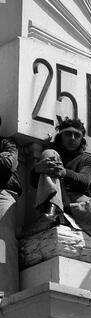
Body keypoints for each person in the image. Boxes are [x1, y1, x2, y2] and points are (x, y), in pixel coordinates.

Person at [31, 117, 91, 236]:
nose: (72, 138)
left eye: (77, 135)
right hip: (59, 196)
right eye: (68, 134)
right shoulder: (53, 154)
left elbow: (84, 180)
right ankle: (55, 209)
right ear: (60, 137)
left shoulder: (89, 158)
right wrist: (37, 169)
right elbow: (34, 183)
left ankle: (66, 211)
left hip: (80, 203)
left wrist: (64, 173)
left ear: (82, 139)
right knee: (49, 153)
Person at [0, 118, 22, 298]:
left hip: (3, 192)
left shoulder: (7, 143)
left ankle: (6, 293)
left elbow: (8, 164)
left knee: (4, 238)